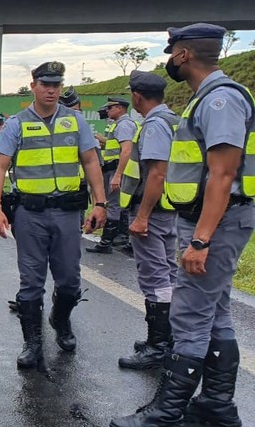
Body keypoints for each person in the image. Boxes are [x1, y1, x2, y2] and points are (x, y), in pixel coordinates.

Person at [111, 23, 255, 427]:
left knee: (190, 315)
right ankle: (216, 406)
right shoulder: (208, 98)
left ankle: (166, 412)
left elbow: (223, 174)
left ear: (183, 55)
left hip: (218, 224)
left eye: (171, 50)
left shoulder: (220, 100)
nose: (169, 57)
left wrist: (202, 240)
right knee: (216, 313)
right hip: (215, 221)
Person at [0, 61, 107, 370]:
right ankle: (33, 344)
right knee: (31, 282)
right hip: (30, 214)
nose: (51, 89)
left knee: (69, 281)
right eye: (45, 84)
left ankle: (60, 319)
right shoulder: (16, 124)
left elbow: (91, 162)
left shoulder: (76, 122)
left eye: (56, 84)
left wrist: (101, 203)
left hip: (68, 213)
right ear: (33, 87)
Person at [114, 70, 178, 372]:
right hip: (169, 211)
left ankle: (158, 345)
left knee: (155, 277)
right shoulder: (173, 120)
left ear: (136, 96)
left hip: (152, 212)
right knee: (169, 272)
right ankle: (171, 337)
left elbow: (157, 172)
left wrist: (141, 217)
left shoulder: (153, 125)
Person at [86, 97, 138, 254]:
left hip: (116, 169)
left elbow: (127, 150)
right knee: (117, 204)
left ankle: (106, 242)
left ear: (120, 108)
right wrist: (104, 141)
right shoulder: (120, 125)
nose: (107, 111)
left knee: (114, 204)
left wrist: (118, 175)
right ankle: (118, 238)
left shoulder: (124, 125)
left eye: (110, 108)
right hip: (112, 169)